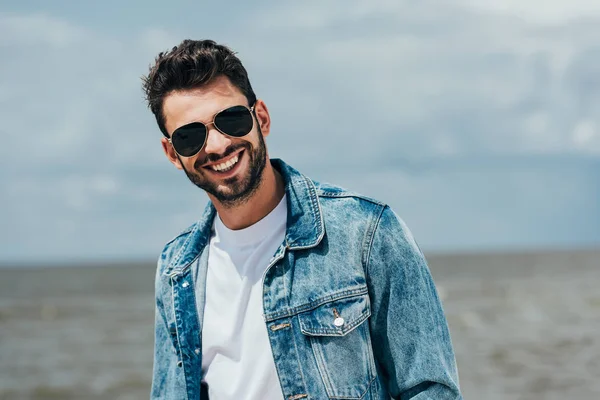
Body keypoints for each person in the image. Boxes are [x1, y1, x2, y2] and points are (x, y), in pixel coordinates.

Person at [143, 39, 462, 400]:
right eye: (190, 136)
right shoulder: (177, 270)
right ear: (172, 153)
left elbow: (429, 389)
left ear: (260, 118)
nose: (216, 146)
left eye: (230, 119)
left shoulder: (367, 232)